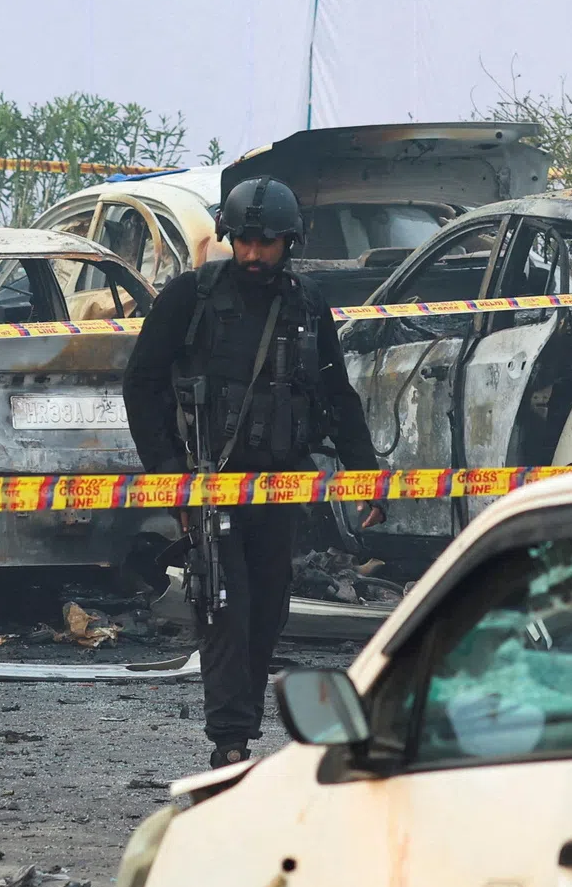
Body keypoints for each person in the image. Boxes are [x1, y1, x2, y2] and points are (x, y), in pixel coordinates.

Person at [123, 175, 383, 768]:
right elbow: (142, 385)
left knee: (268, 607)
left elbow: (336, 394)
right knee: (222, 605)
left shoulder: (307, 304)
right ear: (229, 238)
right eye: (244, 242)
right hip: (210, 481)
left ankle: (242, 725)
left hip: (281, 481)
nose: (253, 254)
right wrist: (170, 473)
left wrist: (364, 473)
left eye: (266, 244)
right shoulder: (191, 298)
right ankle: (231, 741)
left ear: (288, 244)